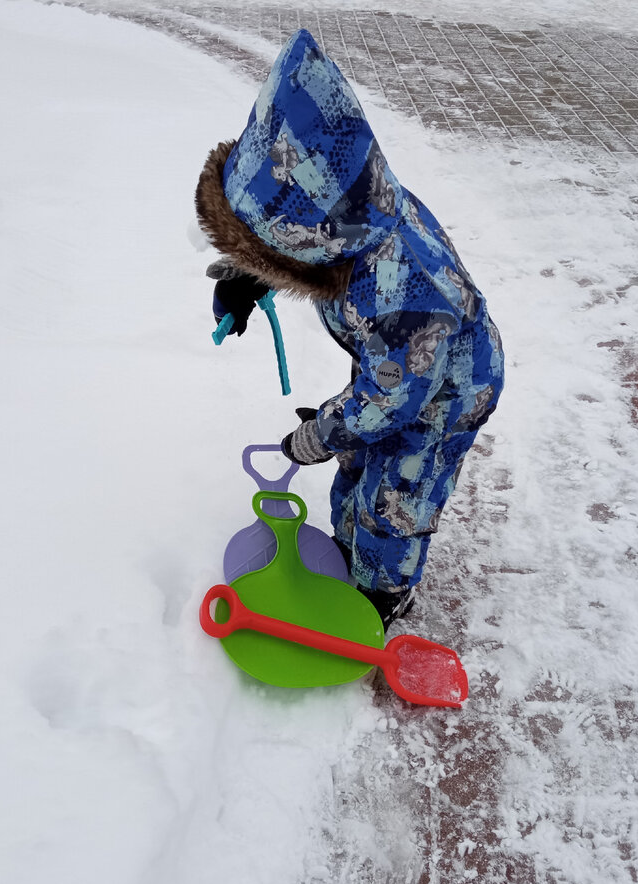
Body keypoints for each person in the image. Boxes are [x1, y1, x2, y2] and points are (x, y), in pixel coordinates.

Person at [195, 29, 504, 629]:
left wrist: (327, 432)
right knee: (359, 466)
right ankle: (349, 550)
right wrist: (250, 276)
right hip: (399, 368)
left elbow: (393, 398)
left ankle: (383, 593)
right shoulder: (357, 209)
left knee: (395, 499)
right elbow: (298, 230)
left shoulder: (404, 298)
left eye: (266, 254)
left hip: (446, 394)